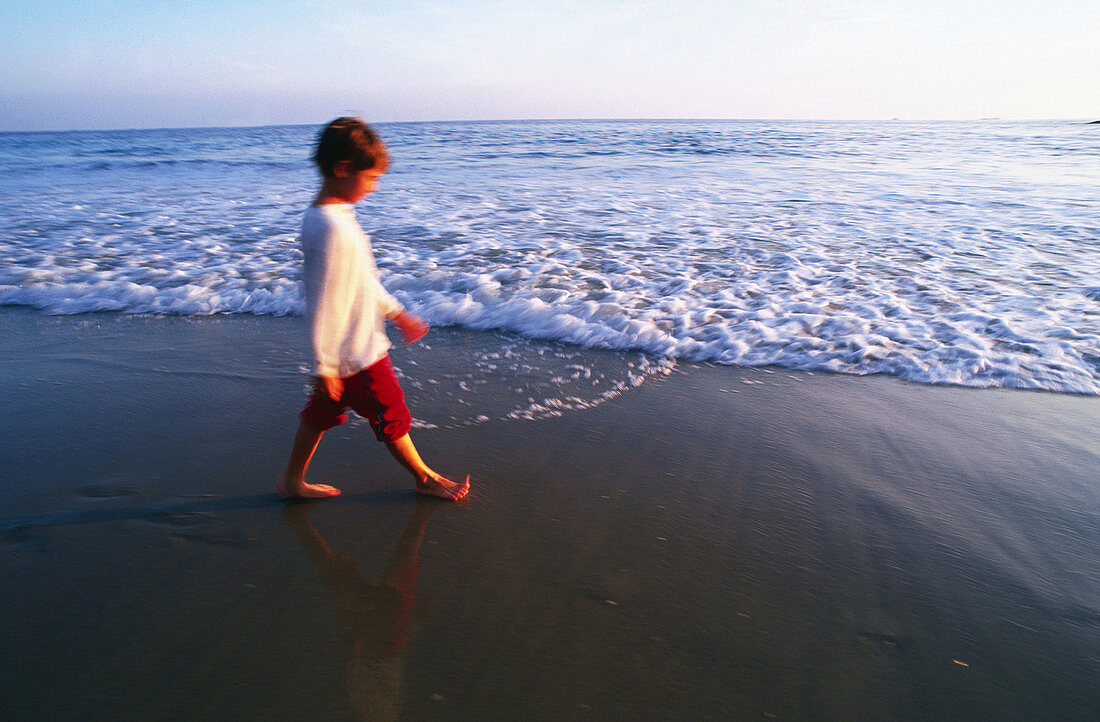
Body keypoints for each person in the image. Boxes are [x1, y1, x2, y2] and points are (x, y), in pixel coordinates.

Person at [277, 117, 469, 501]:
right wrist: (324, 364)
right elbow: (323, 299)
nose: (375, 186)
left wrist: (395, 312)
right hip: (356, 351)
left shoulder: (333, 217)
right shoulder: (330, 227)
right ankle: (424, 478)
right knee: (390, 410)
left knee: (320, 414)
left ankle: (292, 481)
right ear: (343, 169)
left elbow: (361, 280)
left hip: (347, 348)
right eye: (371, 177)